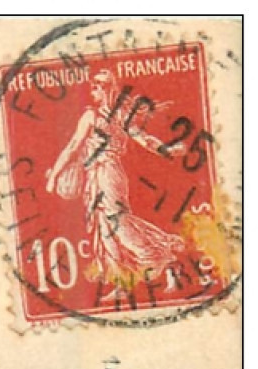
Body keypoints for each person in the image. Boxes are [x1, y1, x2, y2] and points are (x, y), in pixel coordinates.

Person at [45, 70, 187, 303]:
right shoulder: (121, 116)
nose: (93, 91)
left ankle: (152, 255)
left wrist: (54, 177)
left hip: (107, 173)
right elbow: (144, 139)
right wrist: (167, 150)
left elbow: (73, 147)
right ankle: (120, 281)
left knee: (115, 221)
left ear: (105, 89)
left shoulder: (93, 116)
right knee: (103, 226)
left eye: (96, 87)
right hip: (98, 174)